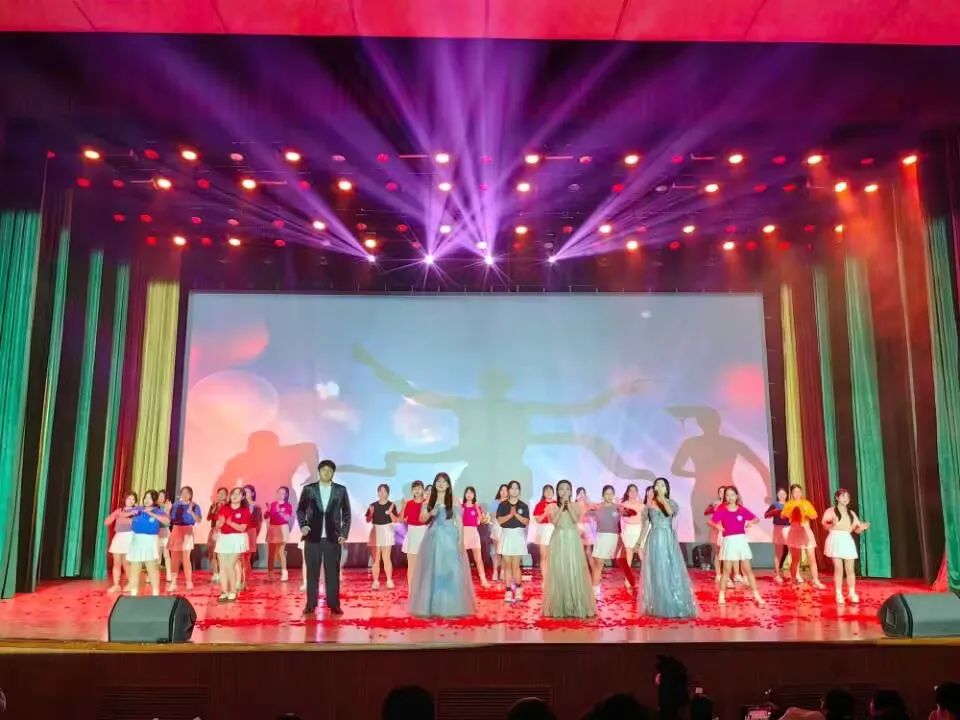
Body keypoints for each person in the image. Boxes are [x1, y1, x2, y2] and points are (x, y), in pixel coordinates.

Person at [409, 471, 476, 617]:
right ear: (435, 484)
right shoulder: (429, 499)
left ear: (448, 485)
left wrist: (461, 540)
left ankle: (451, 606)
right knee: (432, 572)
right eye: (438, 481)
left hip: (450, 537)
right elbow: (421, 518)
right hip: (433, 538)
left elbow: (459, 522)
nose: (441, 484)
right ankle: (431, 606)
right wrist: (430, 513)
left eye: (444, 481)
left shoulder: (453, 499)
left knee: (451, 571)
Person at [298, 459, 352, 616]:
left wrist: (343, 533)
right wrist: (303, 525)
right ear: (319, 472)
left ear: (333, 473)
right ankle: (310, 604)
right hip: (312, 537)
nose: (326, 473)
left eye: (330, 470)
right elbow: (300, 510)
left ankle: (334, 605)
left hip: (333, 538)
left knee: (333, 573)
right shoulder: (309, 489)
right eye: (324, 470)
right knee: (312, 573)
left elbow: (347, 514)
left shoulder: (340, 490)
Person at [638, 478, 697, 618]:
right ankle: (658, 605)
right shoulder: (648, 505)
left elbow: (669, 513)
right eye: (657, 485)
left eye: (662, 485)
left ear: (666, 488)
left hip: (667, 538)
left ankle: (673, 604)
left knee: (669, 569)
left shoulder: (671, 503)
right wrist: (638, 542)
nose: (659, 487)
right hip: (654, 538)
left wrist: (662, 498)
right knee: (657, 570)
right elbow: (645, 526)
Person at [542, 479, 597, 618]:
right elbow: (555, 522)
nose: (564, 491)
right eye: (561, 488)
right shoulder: (552, 506)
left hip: (573, 539)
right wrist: (562, 507)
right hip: (558, 539)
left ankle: (576, 604)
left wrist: (568, 506)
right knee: (559, 570)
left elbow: (575, 520)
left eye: (567, 488)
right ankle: (560, 605)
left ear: (571, 491)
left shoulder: (577, 505)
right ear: (557, 491)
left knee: (574, 570)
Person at [709, 486, 764, 605]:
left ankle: (756, 595)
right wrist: (718, 526)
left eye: (732, 494)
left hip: (741, 541)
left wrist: (750, 522)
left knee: (748, 570)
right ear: (725, 497)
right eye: (727, 495)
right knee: (726, 570)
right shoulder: (722, 510)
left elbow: (756, 519)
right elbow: (711, 521)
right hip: (729, 541)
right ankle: (721, 595)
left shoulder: (742, 509)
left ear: (736, 496)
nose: (730, 497)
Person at [822, 488, 870, 604]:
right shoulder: (830, 511)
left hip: (847, 540)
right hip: (835, 539)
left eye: (847, 497)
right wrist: (831, 524)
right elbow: (825, 525)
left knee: (850, 569)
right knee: (839, 569)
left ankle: (851, 593)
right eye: (843, 496)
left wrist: (863, 527)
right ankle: (838, 594)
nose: (846, 499)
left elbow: (856, 529)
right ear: (837, 497)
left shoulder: (851, 513)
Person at [126, 490, 170, 596]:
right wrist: (130, 515)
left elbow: (167, 521)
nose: (147, 500)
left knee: (152, 568)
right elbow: (124, 514)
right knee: (135, 568)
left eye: (150, 498)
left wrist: (151, 514)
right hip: (137, 540)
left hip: (150, 541)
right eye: (145, 497)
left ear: (154, 500)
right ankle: (133, 593)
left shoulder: (157, 511)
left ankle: (155, 593)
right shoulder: (139, 509)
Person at [781, 484, 825, 588]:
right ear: (792, 494)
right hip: (795, 531)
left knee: (812, 557)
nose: (797, 494)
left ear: (801, 492)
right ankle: (793, 580)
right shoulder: (789, 504)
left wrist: (806, 513)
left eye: (799, 491)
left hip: (806, 530)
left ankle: (816, 580)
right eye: (795, 492)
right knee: (795, 559)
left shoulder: (806, 503)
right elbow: (783, 515)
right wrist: (790, 514)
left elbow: (814, 515)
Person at [215, 486, 250, 602]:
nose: (234, 496)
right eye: (233, 493)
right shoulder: (224, 508)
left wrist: (230, 523)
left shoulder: (244, 510)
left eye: (238, 494)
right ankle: (224, 591)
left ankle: (233, 591)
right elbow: (218, 524)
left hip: (236, 539)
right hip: (223, 538)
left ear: (242, 497)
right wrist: (220, 523)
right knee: (222, 566)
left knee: (230, 565)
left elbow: (242, 528)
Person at [497, 480, 530, 603]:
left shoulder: (523, 505)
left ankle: (519, 588)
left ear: (519, 491)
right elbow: (500, 521)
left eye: (517, 488)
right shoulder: (503, 505)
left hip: (518, 536)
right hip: (506, 536)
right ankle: (508, 591)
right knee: (507, 565)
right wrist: (510, 515)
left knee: (516, 565)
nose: (514, 490)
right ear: (509, 490)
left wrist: (515, 514)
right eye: (512, 488)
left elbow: (526, 522)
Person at [166, 486, 202, 591]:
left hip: (187, 531)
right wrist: (168, 510)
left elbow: (198, 520)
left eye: (187, 493)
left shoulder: (195, 506)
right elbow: (168, 520)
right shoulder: (175, 505)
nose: (185, 495)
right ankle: (173, 582)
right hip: (176, 530)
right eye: (183, 492)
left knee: (186, 558)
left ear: (191, 495)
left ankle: (188, 581)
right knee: (174, 559)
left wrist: (191, 512)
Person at [367, 484, 399, 589]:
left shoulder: (391, 505)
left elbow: (396, 520)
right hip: (376, 531)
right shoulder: (373, 505)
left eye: (384, 491)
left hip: (387, 531)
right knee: (376, 559)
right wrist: (371, 513)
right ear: (378, 493)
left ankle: (389, 580)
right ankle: (375, 581)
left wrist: (390, 513)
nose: (382, 493)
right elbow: (368, 520)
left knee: (386, 558)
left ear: (387, 493)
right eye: (380, 491)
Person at [104, 492, 138, 593]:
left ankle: (131, 584)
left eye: (133, 499)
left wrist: (126, 515)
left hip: (129, 537)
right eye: (129, 498)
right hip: (118, 537)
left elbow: (134, 523)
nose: (131, 501)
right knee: (116, 562)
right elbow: (107, 522)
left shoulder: (136, 511)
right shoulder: (119, 511)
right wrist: (114, 516)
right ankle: (116, 585)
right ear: (125, 499)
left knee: (126, 563)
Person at [461, 486, 489, 587]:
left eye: (471, 493)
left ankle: (483, 580)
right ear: (465, 494)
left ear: (474, 495)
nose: (469, 494)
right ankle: (462, 581)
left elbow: (482, 520)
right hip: (463, 533)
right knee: (462, 559)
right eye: (467, 492)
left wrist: (477, 508)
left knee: (478, 558)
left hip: (474, 533)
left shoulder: (477, 507)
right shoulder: (461, 507)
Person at [401, 481, 428, 584]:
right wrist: (403, 506)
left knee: (424, 565)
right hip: (412, 534)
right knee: (411, 565)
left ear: (423, 490)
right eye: (415, 488)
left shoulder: (427, 503)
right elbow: (401, 519)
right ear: (412, 490)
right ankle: (411, 590)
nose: (417, 490)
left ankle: (423, 588)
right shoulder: (409, 503)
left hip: (424, 533)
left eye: (419, 488)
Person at [266, 486, 294, 581]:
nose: (280, 494)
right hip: (273, 528)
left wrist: (279, 511)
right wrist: (268, 510)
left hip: (282, 528)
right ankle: (270, 573)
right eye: (279, 492)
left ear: (286, 495)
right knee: (271, 552)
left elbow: (287, 518)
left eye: (283, 493)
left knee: (281, 552)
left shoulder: (288, 505)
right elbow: (266, 516)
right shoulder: (273, 504)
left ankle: (284, 573)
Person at [621, 484, 646, 587]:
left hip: (639, 530)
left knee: (642, 555)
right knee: (628, 555)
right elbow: (623, 519)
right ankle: (628, 579)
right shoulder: (623, 504)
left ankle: (647, 579)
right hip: (628, 531)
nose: (633, 492)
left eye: (635, 490)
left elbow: (644, 520)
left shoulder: (642, 505)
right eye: (630, 490)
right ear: (627, 492)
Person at [765, 487, 790, 583]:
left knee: (792, 550)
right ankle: (777, 574)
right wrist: (774, 512)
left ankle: (795, 573)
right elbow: (766, 515)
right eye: (780, 494)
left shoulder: (789, 505)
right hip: (778, 528)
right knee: (778, 552)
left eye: (784, 494)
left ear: (786, 495)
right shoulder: (774, 505)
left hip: (788, 528)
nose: (782, 496)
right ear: (777, 495)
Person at [533, 484, 557, 582]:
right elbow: (538, 520)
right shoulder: (539, 504)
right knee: (544, 556)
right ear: (543, 493)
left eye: (550, 490)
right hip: (544, 531)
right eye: (546, 490)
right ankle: (546, 578)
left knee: (554, 556)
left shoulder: (557, 504)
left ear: (553, 492)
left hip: (556, 530)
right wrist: (546, 513)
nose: (548, 492)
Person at [241, 484, 262, 588]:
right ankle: (244, 576)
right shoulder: (240, 505)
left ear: (253, 493)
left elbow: (257, 522)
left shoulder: (256, 507)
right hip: (241, 531)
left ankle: (246, 576)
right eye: (243, 492)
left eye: (247, 491)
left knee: (247, 556)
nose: (245, 493)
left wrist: (256, 533)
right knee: (241, 555)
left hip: (251, 531)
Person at [206, 487, 227, 582]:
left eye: (223, 493)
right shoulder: (213, 505)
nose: (221, 495)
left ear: (227, 495)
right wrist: (214, 507)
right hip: (214, 531)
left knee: (224, 553)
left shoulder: (229, 506)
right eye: (219, 493)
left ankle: (224, 572)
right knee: (213, 552)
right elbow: (208, 518)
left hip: (225, 531)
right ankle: (215, 573)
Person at [488, 484, 509, 582]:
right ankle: (495, 572)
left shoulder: (511, 502)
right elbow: (493, 516)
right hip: (497, 527)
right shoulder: (495, 502)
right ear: (499, 492)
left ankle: (503, 572)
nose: (504, 492)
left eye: (506, 490)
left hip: (508, 528)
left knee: (505, 552)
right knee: (497, 552)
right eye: (502, 490)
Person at [156, 489, 172, 582]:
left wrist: (168, 510)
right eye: (159, 496)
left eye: (163, 496)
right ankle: (154, 575)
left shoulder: (167, 507)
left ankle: (169, 575)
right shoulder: (154, 507)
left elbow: (167, 520)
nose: (161, 498)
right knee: (157, 556)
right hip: (156, 533)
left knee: (166, 555)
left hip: (165, 533)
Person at [576, 487, 596, 559]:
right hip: (579, 526)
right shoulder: (575, 504)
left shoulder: (588, 503)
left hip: (588, 526)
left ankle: (590, 564)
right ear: (577, 494)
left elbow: (594, 512)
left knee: (588, 548)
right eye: (580, 493)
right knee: (579, 546)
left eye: (583, 493)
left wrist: (588, 503)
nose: (582, 495)